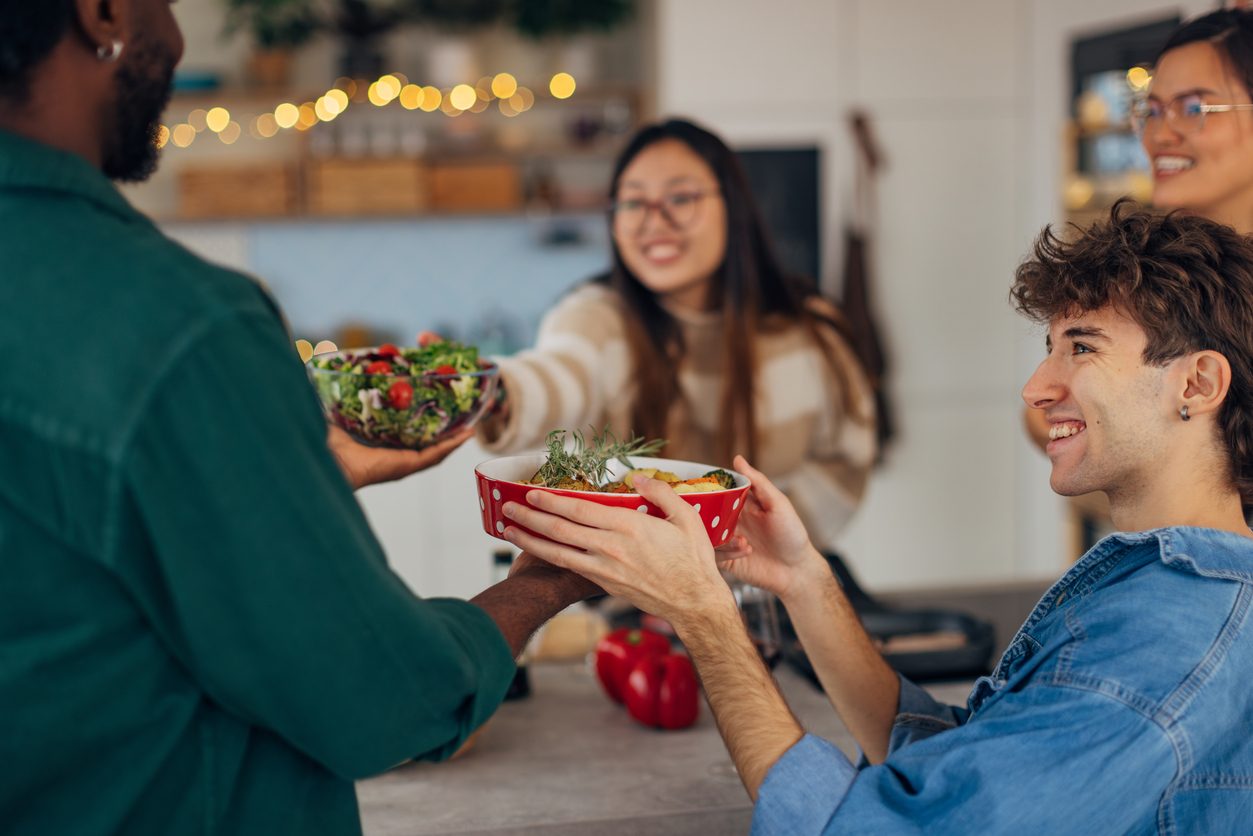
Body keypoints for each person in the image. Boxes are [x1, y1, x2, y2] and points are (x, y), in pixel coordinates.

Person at [0, 2, 597, 833]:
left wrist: (276, 472)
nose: (174, 36)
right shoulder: (178, 328)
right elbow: (377, 696)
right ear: (101, 12)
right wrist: (540, 584)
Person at [503, 201, 1253, 833]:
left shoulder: (1167, 641)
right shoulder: (1162, 587)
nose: (1034, 385)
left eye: (1080, 348)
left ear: (1197, 381)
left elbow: (875, 826)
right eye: (1047, 347)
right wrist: (805, 582)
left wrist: (704, 614)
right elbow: (956, 770)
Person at [479, 118, 877, 550]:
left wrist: (743, 546)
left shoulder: (806, 331)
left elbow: (846, 460)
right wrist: (495, 391)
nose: (654, 221)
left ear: (734, 206)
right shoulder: (594, 317)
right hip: (629, 593)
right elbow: (560, 373)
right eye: (633, 203)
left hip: (775, 585)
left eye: (680, 197)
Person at [1026, 6, 1253, 450]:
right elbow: (1040, 417)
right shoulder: (1148, 266)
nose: (1158, 134)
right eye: (1151, 110)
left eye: (1193, 107)